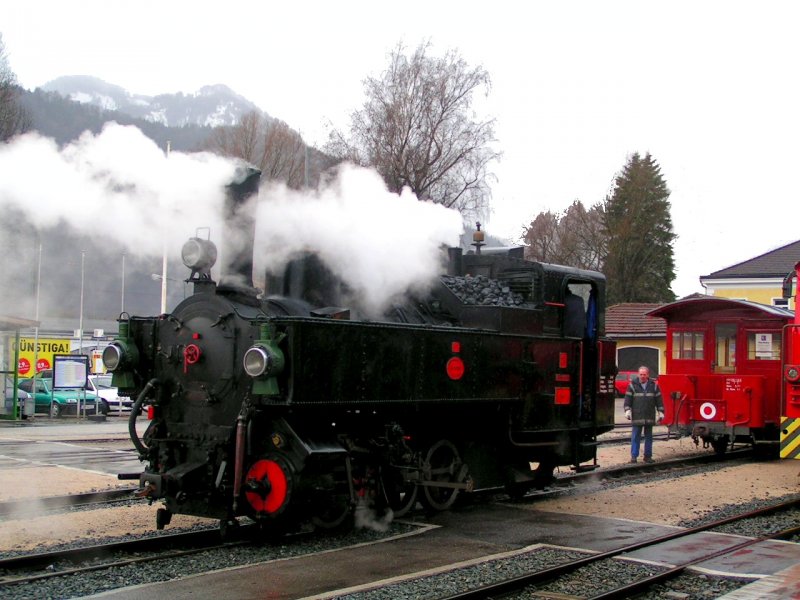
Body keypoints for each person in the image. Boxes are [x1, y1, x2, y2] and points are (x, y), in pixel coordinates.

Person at [623, 366, 664, 463]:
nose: (642, 376)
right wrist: (627, 410)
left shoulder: (654, 386)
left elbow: (659, 400)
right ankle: (634, 457)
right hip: (637, 416)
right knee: (635, 437)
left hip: (649, 416)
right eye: (641, 374)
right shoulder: (632, 385)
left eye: (644, 374)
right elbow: (627, 400)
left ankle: (648, 456)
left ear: (648, 375)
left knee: (649, 437)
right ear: (638, 374)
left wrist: (661, 412)